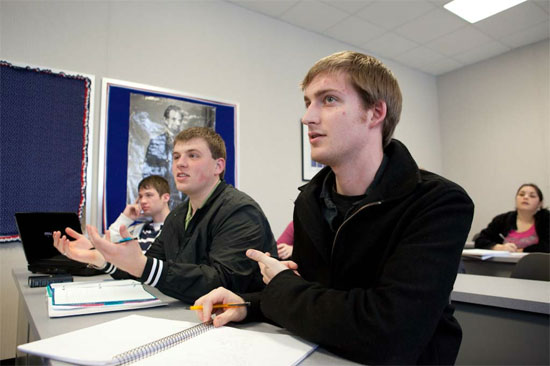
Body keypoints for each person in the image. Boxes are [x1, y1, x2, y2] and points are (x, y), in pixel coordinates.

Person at [193, 51, 474, 365]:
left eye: (328, 100)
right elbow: (317, 298)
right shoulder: (310, 200)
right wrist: (249, 303)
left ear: (374, 112)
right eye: (307, 102)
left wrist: (283, 288)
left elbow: (389, 332)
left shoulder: (439, 202)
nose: (307, 117)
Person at [54, 127, 276, 303]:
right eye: (177, 156)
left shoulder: (240, 212)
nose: (180, 163)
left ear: (218, 165)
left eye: (193, 155)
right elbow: (146, 266)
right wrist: (100, 257)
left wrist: (143, 266)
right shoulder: (178, 215)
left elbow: (224, 284)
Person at [474, 183, 549, 253]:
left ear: (540, 203)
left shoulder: (546, 219)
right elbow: (480, 240)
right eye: (521, 194)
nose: (525, 197)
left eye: (532, 196)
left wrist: (522, 250)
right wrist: (499, 247)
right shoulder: (502, 219)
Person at [109, 175, 171, 252]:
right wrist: (125, 218)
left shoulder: (178, 228)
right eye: (140, 196)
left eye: (149, 195)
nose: (142, 201)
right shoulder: (137, 230)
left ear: (165, 198)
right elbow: (108, 242)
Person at [142, 105, 186, 209]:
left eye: (180, 120)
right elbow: (148, 171)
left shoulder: (187, 145)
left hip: (181, 197)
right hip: (161, 196)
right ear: (166, 120)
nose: (177, 123)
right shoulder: (156, 142)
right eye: (174, 119)